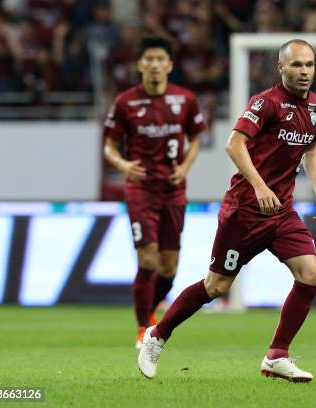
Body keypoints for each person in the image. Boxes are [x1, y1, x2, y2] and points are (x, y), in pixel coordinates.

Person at [138, 39, 316, 382]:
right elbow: (234, 144)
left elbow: (311, 147)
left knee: (311, 275)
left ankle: (276, 355)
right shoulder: (266, 103)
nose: (304, 72)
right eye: (297, 65)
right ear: (281, 68)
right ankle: (158, 334)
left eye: (310, 65)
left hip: (281, 212)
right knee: (216, 287)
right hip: (244, 211)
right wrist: (259, 185)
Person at [103, 36, 206, 348]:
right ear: (140, 65)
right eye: (149, 59)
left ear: (170, 65)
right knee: (147, 260)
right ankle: (142, 327)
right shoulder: (125, 102)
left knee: (169, 268)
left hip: (174, 190)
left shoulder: (185, 99)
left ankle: (149, 312)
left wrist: (185, 167)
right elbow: (109, 146)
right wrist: (123, 165)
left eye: (160, 59)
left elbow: (196, 138)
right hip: (141, 190)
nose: (155, 64)